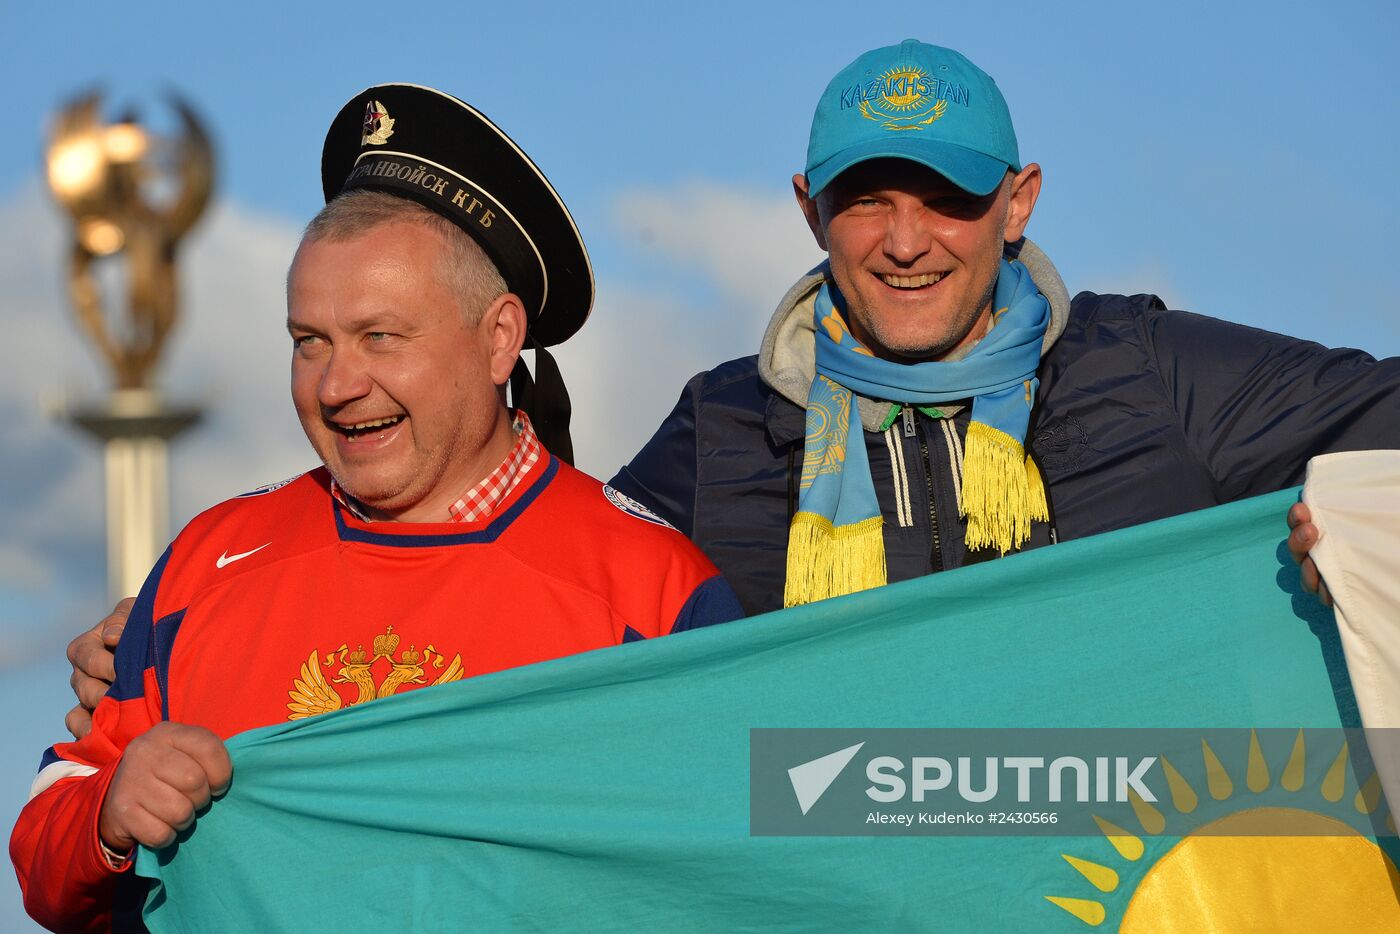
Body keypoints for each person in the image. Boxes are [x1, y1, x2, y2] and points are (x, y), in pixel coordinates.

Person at [64, 40, 1395, 713]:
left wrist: (1354, 518)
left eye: (948, 197)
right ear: (811, 209)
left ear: (1020, 201)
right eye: (870, 201)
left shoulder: (1157, 370)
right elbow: (534, 570)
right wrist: (176, 646)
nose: (908, 238)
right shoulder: (723, 426)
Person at [12, 84, 741, 932]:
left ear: (500, 338)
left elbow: (746, 863)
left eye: (379, 337)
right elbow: (48, 836)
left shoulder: (653, 591)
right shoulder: (208, 561)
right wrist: (106, 813)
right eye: (308, 341)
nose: (336, 385)